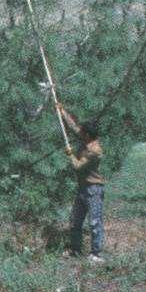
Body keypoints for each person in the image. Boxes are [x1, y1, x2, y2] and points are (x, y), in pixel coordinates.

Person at [57, 104, 105, 263]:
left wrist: (70, 154)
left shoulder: (95, 150)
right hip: (82, 189)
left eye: (83, 132)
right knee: (75, 220)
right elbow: (73, 127)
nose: (80, 133)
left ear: (88, 135)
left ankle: (96, 254)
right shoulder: (86, 138)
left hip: (94, 190)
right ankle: (75, 250)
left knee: (94, 222)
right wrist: (61, 111)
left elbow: (77, 166)